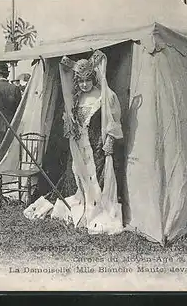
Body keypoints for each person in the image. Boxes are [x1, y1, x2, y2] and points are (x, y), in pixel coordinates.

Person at [50, 50, 124, 235]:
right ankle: (84, 204)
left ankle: (97, 211)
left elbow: (113, 120)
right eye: (80, 81)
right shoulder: (76, 98)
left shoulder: (105, 96)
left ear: (93, 78)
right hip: (80, 143)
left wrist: (110, 140)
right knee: (78, 173)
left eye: (87, 80)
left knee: (97, 175)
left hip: (97, 143)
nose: (84, 84)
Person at [0, 63, 22, 150]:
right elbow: (19, 107)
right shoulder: (15, 88)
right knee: (10, 148)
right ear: (8, 75)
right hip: (11, 123)